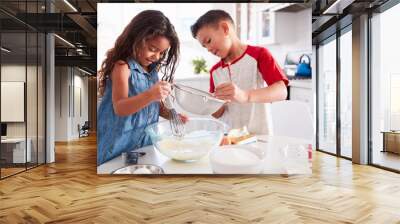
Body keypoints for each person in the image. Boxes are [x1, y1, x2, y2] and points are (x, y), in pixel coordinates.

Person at [97, 10, 186, 165]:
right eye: (152, 49)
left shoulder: (152, 72)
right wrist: (151, 94)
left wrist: (171, 115)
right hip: (116, 148)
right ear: (135, 39)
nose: (157, 57)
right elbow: (120, 107)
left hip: (143, 147)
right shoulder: (122, 67)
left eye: (161, 52)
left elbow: (151, 107)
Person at [191, 10, 288, 135]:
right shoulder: (215, 72)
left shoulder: (259, 55)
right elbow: (217, 114)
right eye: (204, 47)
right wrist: (213, 103)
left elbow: (282, 91)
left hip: (260, 136)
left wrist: (245, 95)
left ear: (225, 28)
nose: (208, 49)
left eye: (208, 41)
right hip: (230, 138)